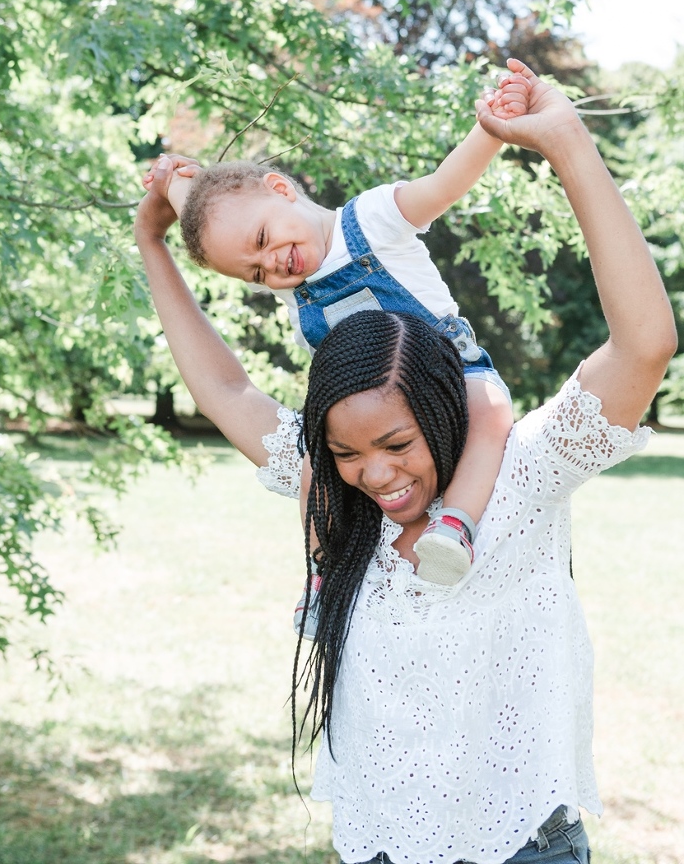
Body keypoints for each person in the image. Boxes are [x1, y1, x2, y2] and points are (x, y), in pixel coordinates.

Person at [133, 59, 676, 864]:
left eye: (396, 446)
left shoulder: (521, 474)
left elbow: (645, 343)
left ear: (444, 410)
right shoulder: (333, 491)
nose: (375, 474)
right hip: (382, 844)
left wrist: (567, 147)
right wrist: (154, 240)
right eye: (349, 450)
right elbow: (223, 385)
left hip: (521, 844)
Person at [141, 73, 530, 604]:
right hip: (358, 412)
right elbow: (214, 214)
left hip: (455, 371)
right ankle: (323, 575)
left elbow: (444, 185)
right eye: (255, 273)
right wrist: (170, 183)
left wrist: (494, 127)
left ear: (282, 189)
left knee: (490, 417)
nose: (272, 264)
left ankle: (455, 526)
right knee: (313, 465)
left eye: (263, 239)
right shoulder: (292, 283)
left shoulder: (370, 222)